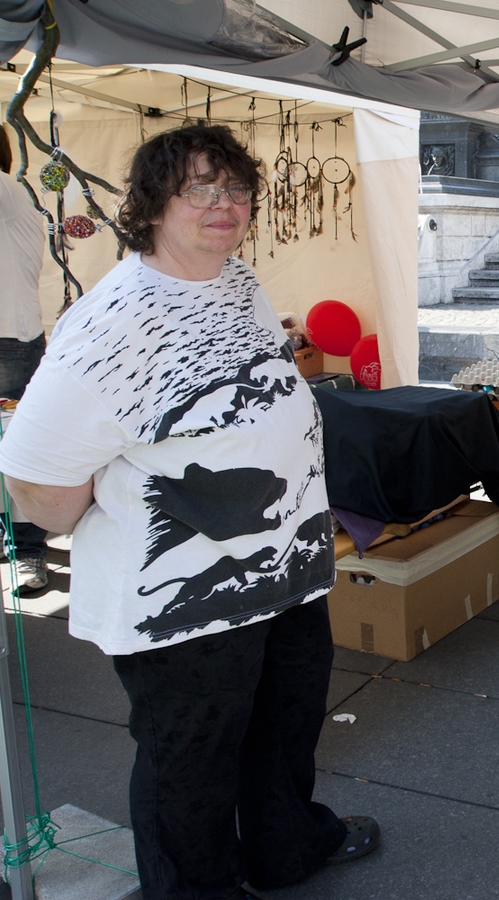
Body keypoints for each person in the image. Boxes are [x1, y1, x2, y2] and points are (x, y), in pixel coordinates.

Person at [0, 124, 379, 900]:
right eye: (198, 187)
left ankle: (284, 847)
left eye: (235, 187)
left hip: (288, 572)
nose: (223, 203)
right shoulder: (110, 323)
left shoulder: (234, 279)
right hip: (184, 601)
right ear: (151, 205)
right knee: (190, 760)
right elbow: (36, 486)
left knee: (283, 727)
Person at [0, 124, 52, 591]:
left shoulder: (10, 189)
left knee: (21, 453)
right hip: (10, 341)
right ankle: (11, 540)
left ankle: (29, 551)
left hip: (11, 342)